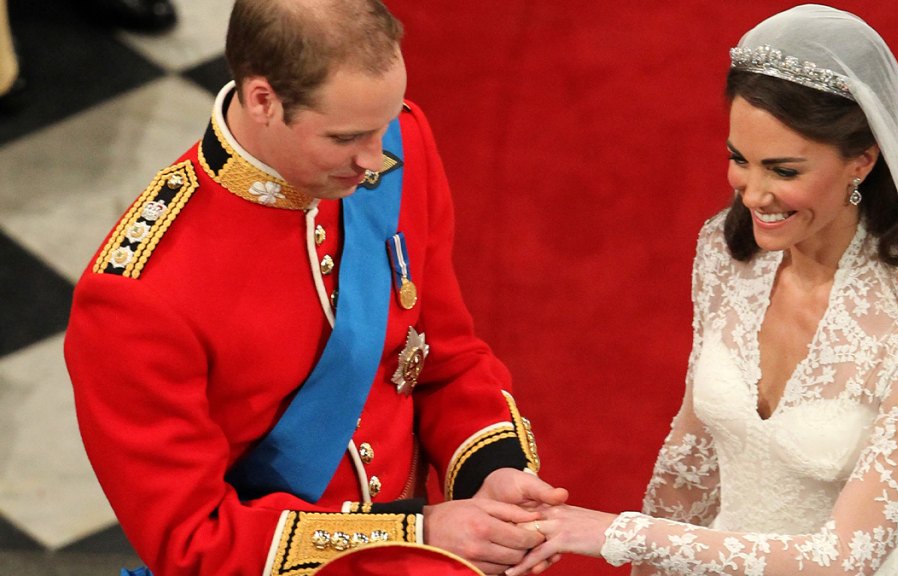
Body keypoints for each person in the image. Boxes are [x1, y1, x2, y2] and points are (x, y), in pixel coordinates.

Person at [506, 5, 898, 576]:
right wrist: (647, 567)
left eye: (783, 171)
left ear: (862, 161)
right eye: (738, 160)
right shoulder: (725, 255)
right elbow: (692, 456)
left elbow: (846, 558)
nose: (752, 194)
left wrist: (619, 533)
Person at [63, 1, 567, 575]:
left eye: (382, 128)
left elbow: (444, 357)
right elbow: (194, 543)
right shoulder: (136, 296)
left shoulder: (399, 144)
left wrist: (492, 472)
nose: (376, 160)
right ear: (263, 100)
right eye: (346, 136)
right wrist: (415, 531)